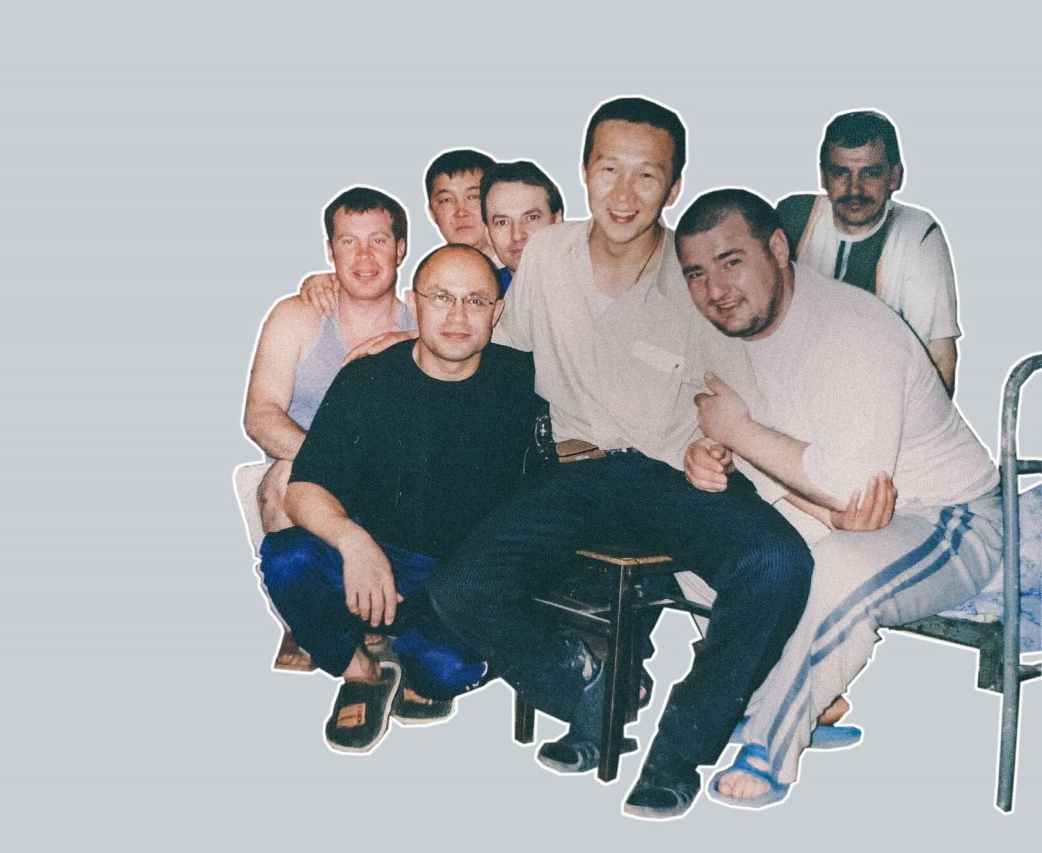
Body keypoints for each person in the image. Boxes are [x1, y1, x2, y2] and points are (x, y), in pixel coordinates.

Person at [425, 97, 813, 820]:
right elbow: (501, 359)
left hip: (673, 477)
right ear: (584, 172)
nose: (624, 194)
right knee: (460, 587)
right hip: (572, 474)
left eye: (647, 175)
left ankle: (680, 746)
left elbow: (744, 386)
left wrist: (718, 446)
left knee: (778, 562)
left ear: (674, 185)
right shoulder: (547, 256)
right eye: (609, 170)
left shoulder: (695, 271)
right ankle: (588, 692)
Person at [675, 188, 1001, 809]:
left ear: (778, 249)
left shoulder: (853, 331)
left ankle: (769, 744)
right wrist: (711, 454)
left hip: (949, 517)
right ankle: (775, 695)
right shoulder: (728, 331)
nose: (715, 289)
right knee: (701, 540)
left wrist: (737, 433)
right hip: (839, 511)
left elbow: (852, 485)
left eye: (731, 261)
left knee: (840, 570)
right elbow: (789, 470)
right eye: (696, 272)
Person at [259, 244, 539, 752]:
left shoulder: (524, 381)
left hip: (461, 578)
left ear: (496, 312)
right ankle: (362, 672)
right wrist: (353, 541)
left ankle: (416, 656)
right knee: (287, 559)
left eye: (476, 301)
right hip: (375, 560)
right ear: (415, 303)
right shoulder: (368, 378)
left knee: (444, 672)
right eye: (442, 298)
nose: (458, 316)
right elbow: (303, 488)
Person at [242, 186, 416, 667]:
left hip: (395, 490)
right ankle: (303, 621)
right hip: (310, 484)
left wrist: (409, 337)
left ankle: (385, 617)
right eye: (348, 242)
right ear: (330, 250)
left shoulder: (424, 320)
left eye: (378, 241)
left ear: (400, 248)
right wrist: (334, 461)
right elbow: (260, 416)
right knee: (282, 478)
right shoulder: (296, 317)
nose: (364, 257)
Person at [777, 110, 960, 393]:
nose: (854, 189)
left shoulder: (917, 233)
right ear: (823, 176)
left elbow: (940, 358)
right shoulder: (794, 218)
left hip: (877, 400)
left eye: (870, 173)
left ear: (895, 177)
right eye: (840, 173)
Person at [298, 149, 499, 315]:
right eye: (446, 200)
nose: (461, 212)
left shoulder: (516, 274)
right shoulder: (432, 276)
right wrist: (331, 281)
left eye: (473, 197)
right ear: (432, 213)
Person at [480, 159, 564, 293]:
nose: (517, 235)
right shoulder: (484, 294)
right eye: (502, 222)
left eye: (532, 218)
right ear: (488, 234)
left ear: (557, 221)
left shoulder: (592, 284)